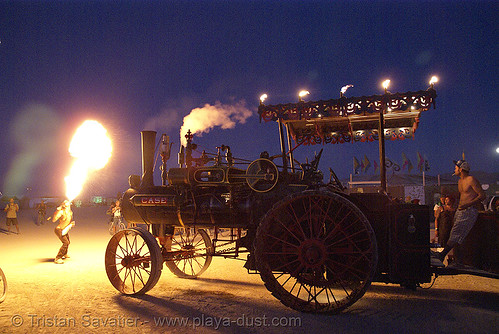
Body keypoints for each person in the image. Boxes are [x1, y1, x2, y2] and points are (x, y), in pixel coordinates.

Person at [434, 160, 485, 267]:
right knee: (458, 235)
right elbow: (462, 196)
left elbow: (482, 195)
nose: (454, 169)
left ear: (461, 169)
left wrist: (468, 204)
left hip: (469, 211)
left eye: (456, 167)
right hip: (460, 210)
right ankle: (458, 260)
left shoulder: (471, 179)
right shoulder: (460, 182)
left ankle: (442, 255)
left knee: (456, 233)